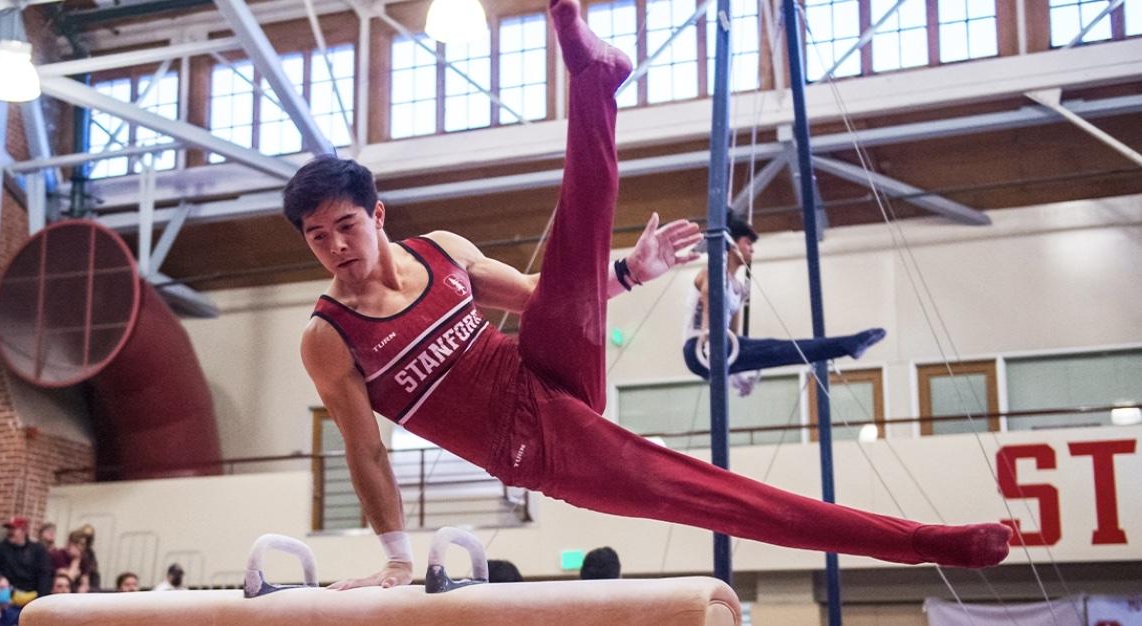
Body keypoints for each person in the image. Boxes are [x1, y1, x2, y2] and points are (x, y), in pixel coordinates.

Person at [286, 0, 1010, 592]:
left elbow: (547, 292)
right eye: (318, 238)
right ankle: (929, 543)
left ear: (377, 215)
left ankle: (596, 79)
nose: (338, 247)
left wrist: (629, 273)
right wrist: (398, 555)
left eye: (347, 226)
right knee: (717, 495)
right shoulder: (330, 335)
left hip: (540, 365)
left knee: (578, 230)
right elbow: (366, 451)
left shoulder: (439, 249)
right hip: (537, 446)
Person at [682, 218, 886, 388]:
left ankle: (847, 346)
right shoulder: (710, 273)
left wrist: (735, 372)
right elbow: (709, 293)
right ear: (733, 244)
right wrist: (709, 340)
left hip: (723, 347)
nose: (752, 250)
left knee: (777, 349)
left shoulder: (739, 287)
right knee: (775, 349)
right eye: (748, 243)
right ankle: (846, 345)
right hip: (697, 349)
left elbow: (734, 336)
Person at [0, 518, 50, 606]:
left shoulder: (38, 550)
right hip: (6, 598)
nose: (10, 532)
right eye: (9, 529)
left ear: (24, 531)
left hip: (32, 599)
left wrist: (40, 600)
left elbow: (44, 576)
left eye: (14, 529)